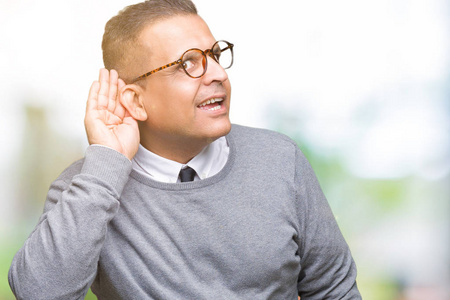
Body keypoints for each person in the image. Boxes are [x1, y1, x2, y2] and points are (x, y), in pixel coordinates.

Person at [9, 0, 361, 299]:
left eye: (215, 54)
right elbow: (37, 293)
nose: (218, 74)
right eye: (188, 63)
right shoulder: (84, 188)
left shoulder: (281, 161)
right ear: (135, 100)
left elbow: (336, 290)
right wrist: (107, 165)